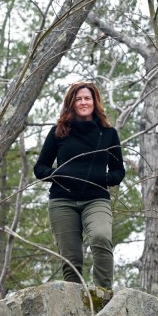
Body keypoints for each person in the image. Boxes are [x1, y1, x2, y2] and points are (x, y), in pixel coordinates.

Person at [33, 82, 125, 289]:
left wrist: (100, 178)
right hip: (62, 201)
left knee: (101, 238)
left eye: (87, 98)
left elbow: (119, 172)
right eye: (78, 98)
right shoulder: (58, 132)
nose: (83, 102)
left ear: (95, 102)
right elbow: (40, 168)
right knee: (71, 260)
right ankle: (74, 305)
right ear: (71, 103)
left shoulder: (108, 134)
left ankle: (103, 295)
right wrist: (59, 175)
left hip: (96, 198)